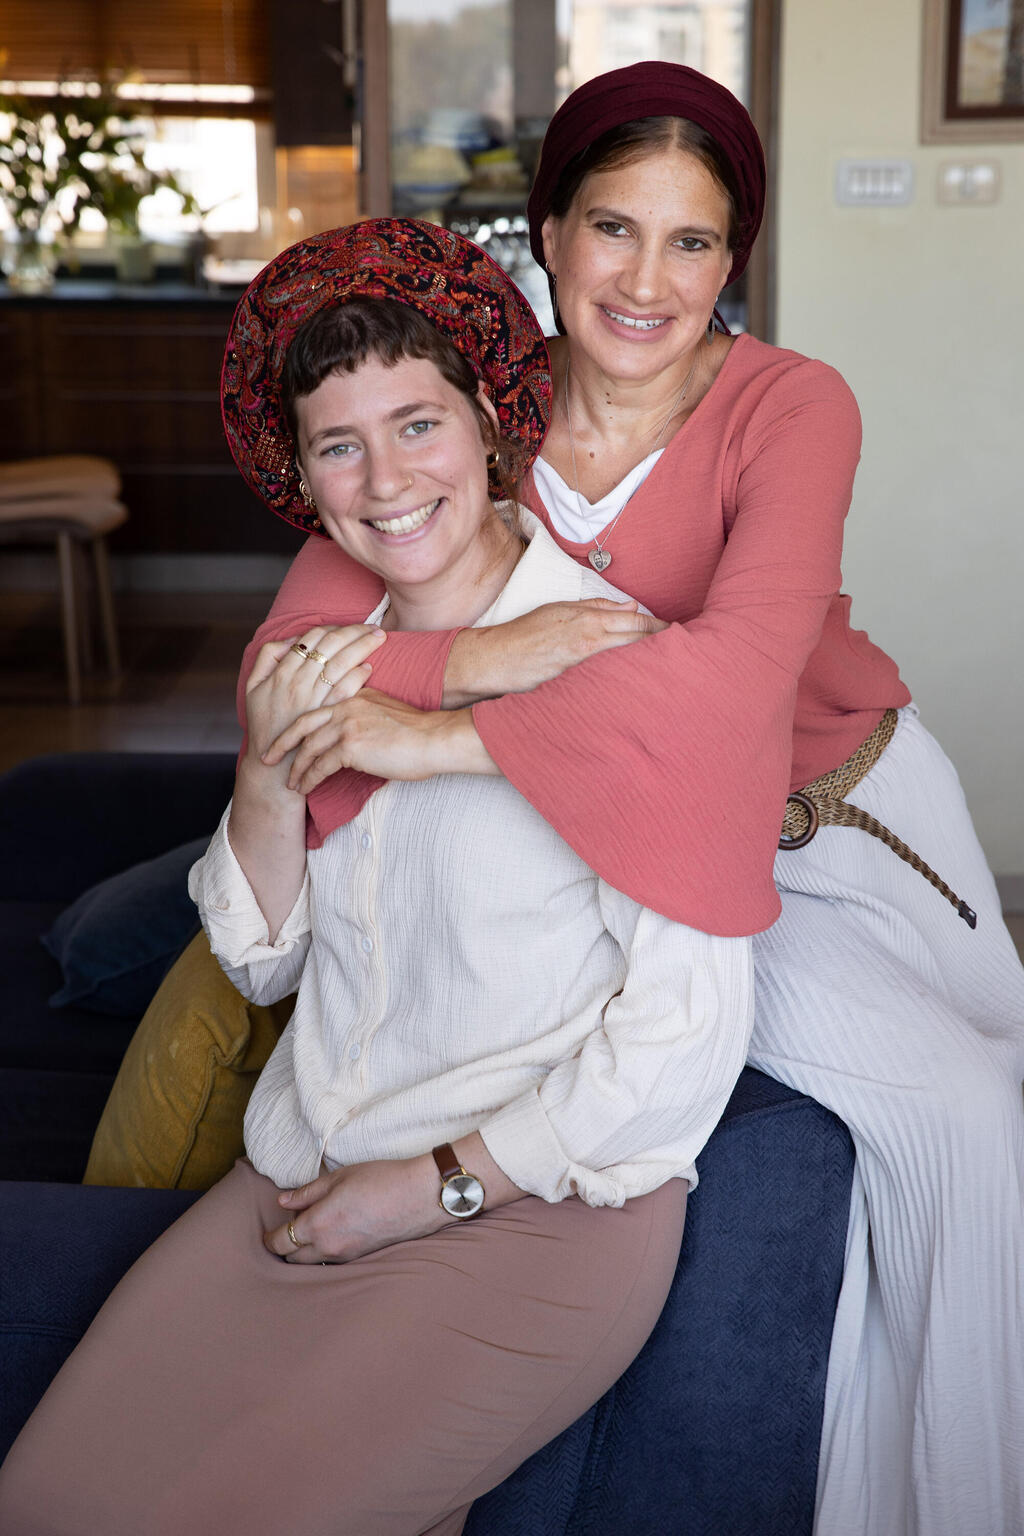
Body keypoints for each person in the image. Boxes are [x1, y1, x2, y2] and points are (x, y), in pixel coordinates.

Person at [225, 65, 1024, 1536]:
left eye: (695, 242)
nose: (647, 281)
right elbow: (285, 665)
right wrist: (485, 652)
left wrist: (428, 733)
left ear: (735, 260)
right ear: (546, 228)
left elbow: (733, 693)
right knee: (958, 1120)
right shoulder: (469, 401)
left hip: (866, 811)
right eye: (611, 226)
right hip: (671, 845)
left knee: (1008, 1077)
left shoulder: (792, 404)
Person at [0, 220, 755, 1536]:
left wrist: (439, 1184)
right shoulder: (318, 653)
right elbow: (264, 967)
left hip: (536, 1213)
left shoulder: (627, 666)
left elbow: (688, 1032)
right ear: (300, 471)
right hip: (303, 1176)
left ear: (489, 425)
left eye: (419, 424)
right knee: (47, 1498)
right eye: (338, 442)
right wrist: (262, 777)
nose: (385, 478)